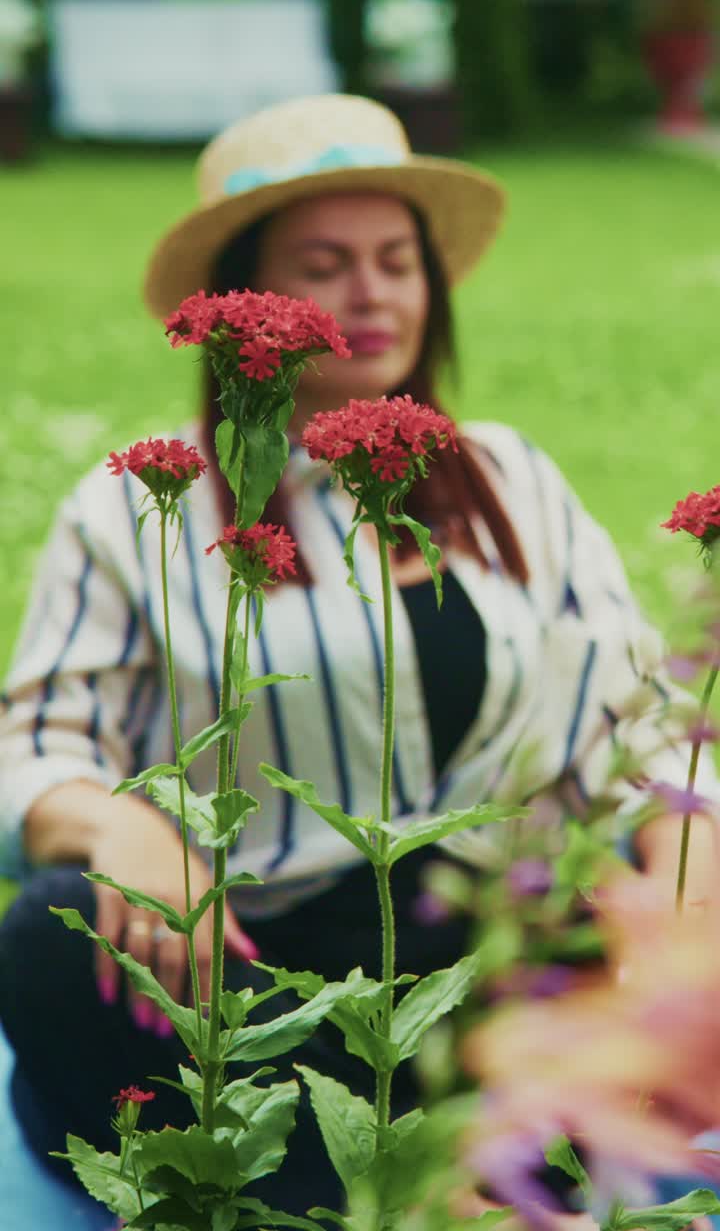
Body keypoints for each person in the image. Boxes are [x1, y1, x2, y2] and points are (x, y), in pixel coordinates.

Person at [0, 93, 717, 1221]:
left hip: (481, 948)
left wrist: (690, 837)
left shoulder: (511, 474)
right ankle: (441, 1197)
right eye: (324, 263)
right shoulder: (135, 503)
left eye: (397, 259)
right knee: (47, 933)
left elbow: (635, 723)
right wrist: (114, 820)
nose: (372, 291)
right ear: (243, 304)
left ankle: (461, 1167)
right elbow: (35, 749)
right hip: (239, 969)